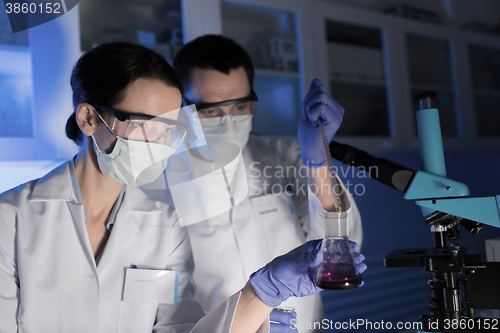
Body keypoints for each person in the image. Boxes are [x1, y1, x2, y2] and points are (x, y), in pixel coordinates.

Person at [0, 42, 366, 333]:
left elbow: (180, 330)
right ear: (88, 118)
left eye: (167, 129)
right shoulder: (12, 220)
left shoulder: (165, 225)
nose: (159, 144)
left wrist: (264, 293)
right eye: (145, 124)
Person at [169, 35, 364, 332]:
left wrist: (319, 162)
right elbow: (166, 308)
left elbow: (340, 246)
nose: (228, 121)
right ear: (183, 107)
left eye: (240, 107)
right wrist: (246, 318)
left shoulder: (282, 156)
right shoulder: (160, 184)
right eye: (209, 110)